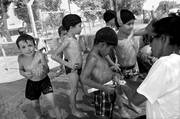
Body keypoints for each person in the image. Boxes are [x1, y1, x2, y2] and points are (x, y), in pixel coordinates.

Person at [119, 16, 180, 119]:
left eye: (152, 38)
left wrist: (121, 82)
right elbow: (147, 87)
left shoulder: (164, 64)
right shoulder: (175, 61)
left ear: (163, 39)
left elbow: (135, 99)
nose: (150, 44)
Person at [16, 34, 62, 119]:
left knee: (52, 102)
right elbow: (20, 70)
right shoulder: (20, 58)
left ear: (35, 45)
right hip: (32, 83)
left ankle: (59, 116)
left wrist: (42, 68)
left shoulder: (39, 55)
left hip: (44, 81)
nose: (28, 49)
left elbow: (47, 69)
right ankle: (39, 116)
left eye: (30, 45)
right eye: (23, 47)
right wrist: (24, 74)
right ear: (19, 49)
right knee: (35, 104)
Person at [51, 14, 86, 118]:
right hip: (72, 70)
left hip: (78, 68)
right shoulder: (67, 40)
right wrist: (68, 64)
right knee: (74, 90)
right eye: (79, 25)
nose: (81, 28)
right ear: (71, 27)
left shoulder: (74, 38)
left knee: (83, 84)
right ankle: (74, 110)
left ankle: (87, 97)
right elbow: (54, 56)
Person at [81, 27, 120, 119]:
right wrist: (103, 88)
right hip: (102, 92)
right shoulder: (93, 58)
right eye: (110, 49)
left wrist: (114, 75)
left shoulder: (100, 55)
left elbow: (103, 70)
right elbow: (83, 78)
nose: (109, 52)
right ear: (102, 45)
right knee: (103, 116)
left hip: (107, 89)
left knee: (108, 113)